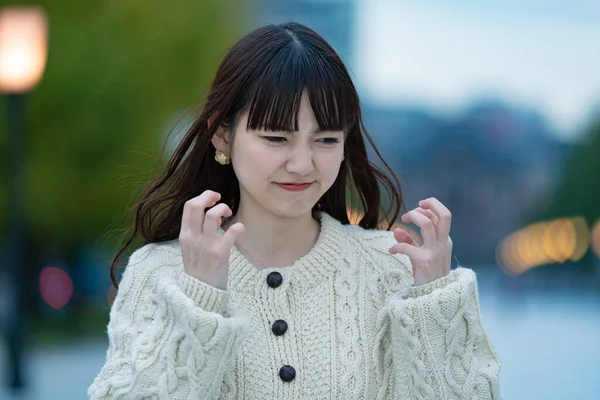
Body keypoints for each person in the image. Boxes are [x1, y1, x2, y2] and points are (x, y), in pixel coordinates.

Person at [88, 22, 501, 399]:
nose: (302, 163)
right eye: (276, 138)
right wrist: (199, 300)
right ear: (221, 133)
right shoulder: (161, 273)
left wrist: (434, 302)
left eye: (324, 140)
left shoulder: (394, 270)